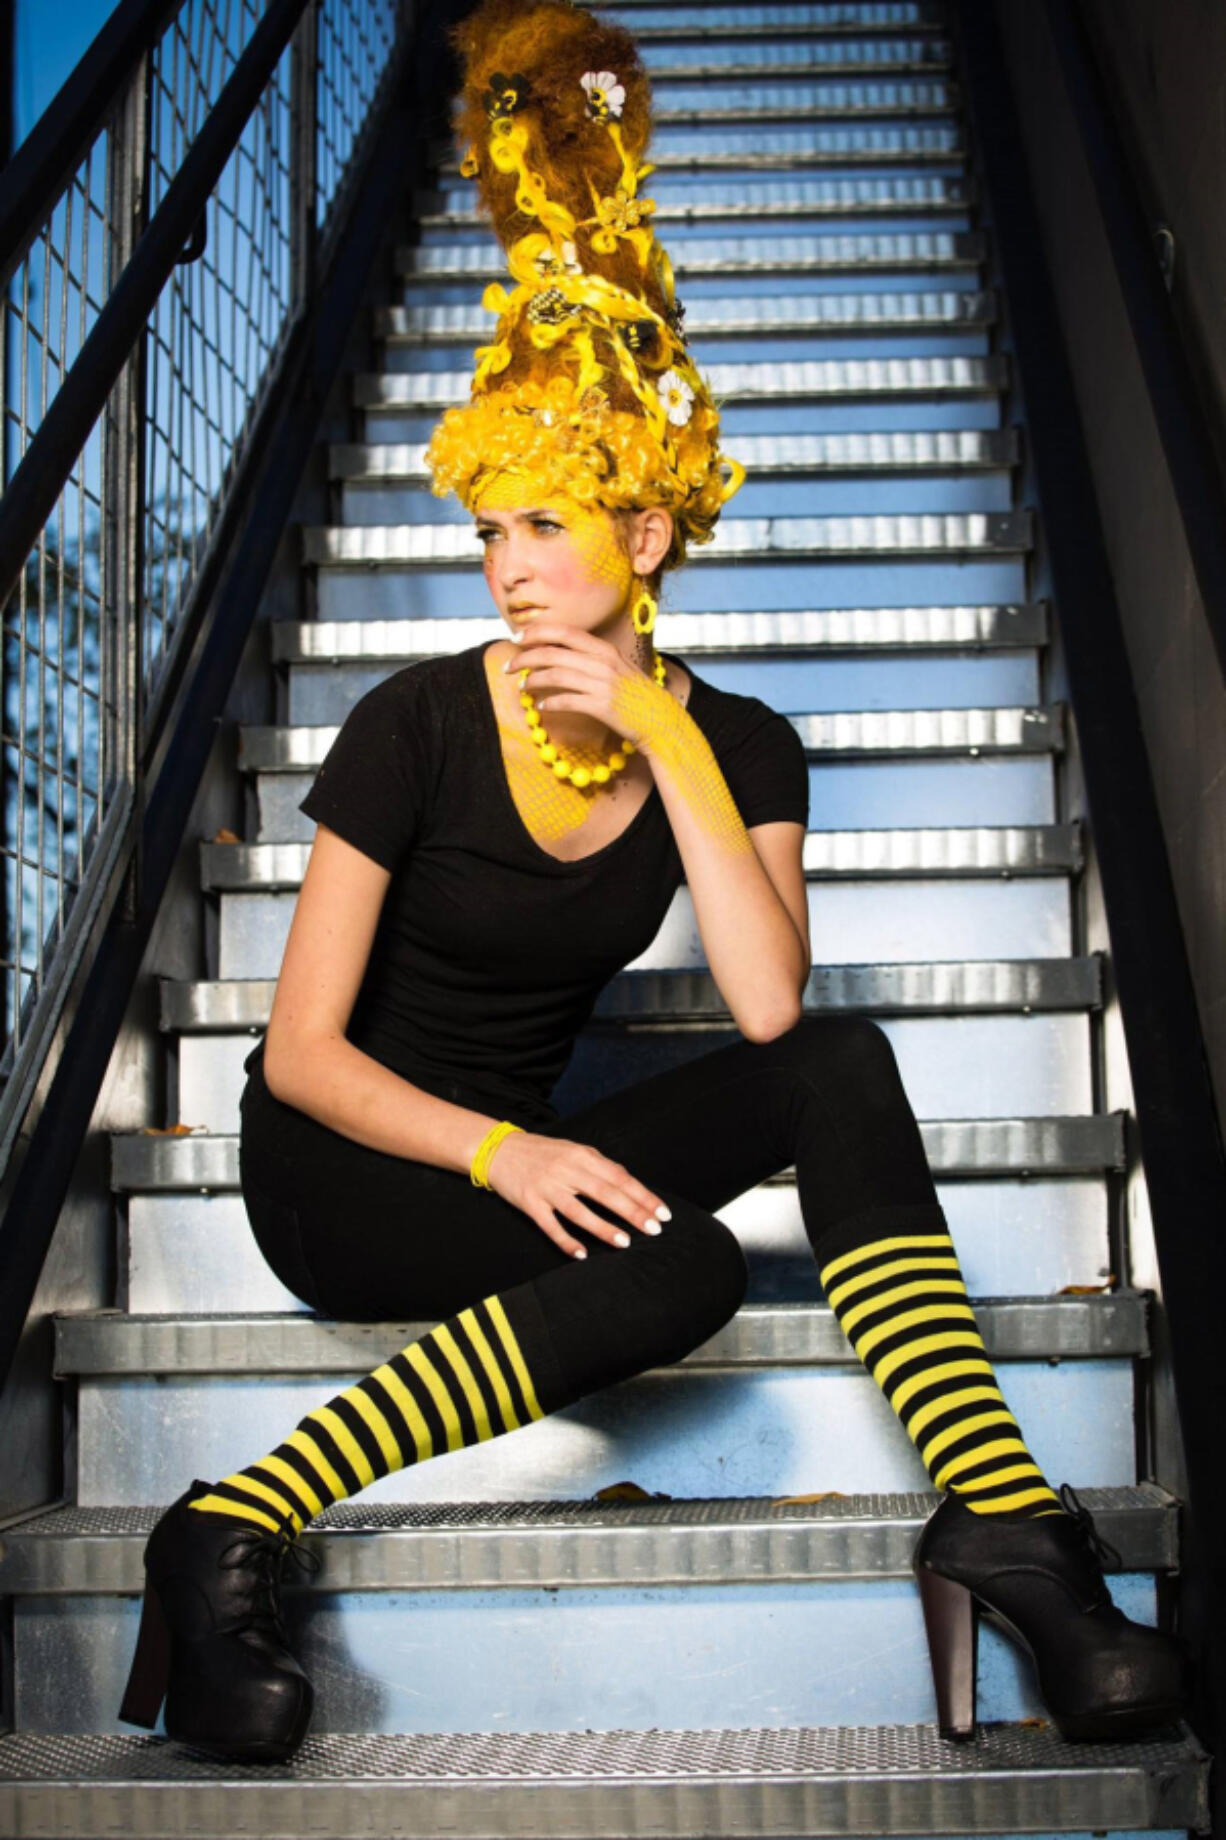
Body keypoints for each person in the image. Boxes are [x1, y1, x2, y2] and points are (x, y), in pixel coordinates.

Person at [117, 0, 1185, 1764]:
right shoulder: (414, 724)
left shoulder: (741, 745)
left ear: (650, 531)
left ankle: (1000, 1521)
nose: (508, 566)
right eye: (490, 527)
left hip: (536, 1161)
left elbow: (768, 1008)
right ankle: (230, 1521)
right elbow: (298, 1055)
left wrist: (663, 738)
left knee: (837, 1061)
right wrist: (504, 1147)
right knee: (681, 1273)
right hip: (356, 1172)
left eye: (547, 523)